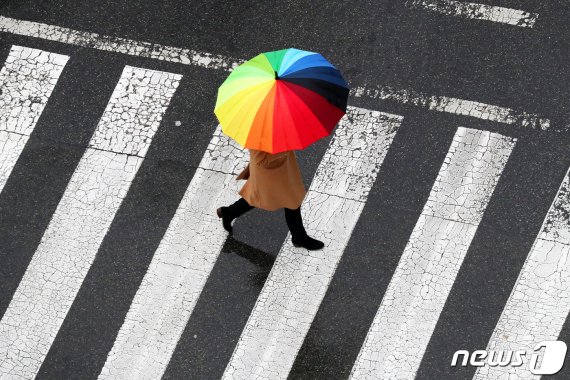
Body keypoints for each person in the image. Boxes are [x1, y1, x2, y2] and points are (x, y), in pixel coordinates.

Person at [216, 148, 324, 250]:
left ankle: (229, 212)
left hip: (278, 169)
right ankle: (299, 238)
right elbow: (262, 159)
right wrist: (283, 151)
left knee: (258, 196)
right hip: (273, 171)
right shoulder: (263, 137)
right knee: (292, 201)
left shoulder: (261, 131)